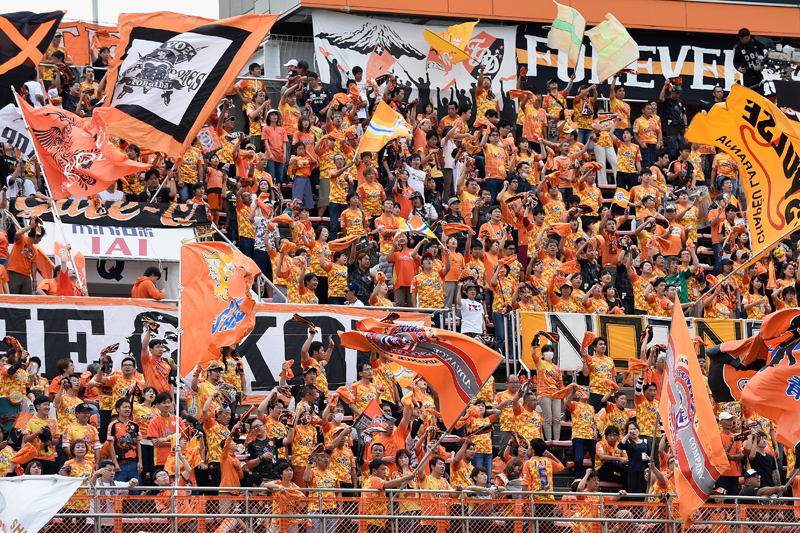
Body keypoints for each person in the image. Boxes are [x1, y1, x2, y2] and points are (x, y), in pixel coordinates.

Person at [565, 385, 596, 480]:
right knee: (578, 459)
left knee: (596, 458)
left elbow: (594, 421)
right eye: (583, 390)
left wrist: (595, 431)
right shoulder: (575, 404)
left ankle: (595, 478)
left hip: (590, 435)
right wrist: (573, 391)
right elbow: (567, 403)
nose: (585, 392)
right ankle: (578, 480)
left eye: (587, 391)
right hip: (578, 435)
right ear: (578, 394)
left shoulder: (591, 408)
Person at [7, 220, 44, 294]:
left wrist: (34, 280)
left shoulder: (35, 250)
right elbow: (17, 233)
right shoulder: (22, 239)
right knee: (12, 295)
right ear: (36, 236)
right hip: (14, 272)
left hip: (26, 275)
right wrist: (31, 226)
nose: (40, 240)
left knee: (26, 297)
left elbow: (34, 265)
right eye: (41, 237)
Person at [618, 421, 650, 500]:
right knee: (634, 494)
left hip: (644, 471)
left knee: (645, 493)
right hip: (633, 471)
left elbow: (650, 455)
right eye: (630, 429)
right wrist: (627, 435)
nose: (633, 431)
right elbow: (620, 446)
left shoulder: (645, 442)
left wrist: (649, 459)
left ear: (638, 430)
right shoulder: (628, 442)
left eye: (635, 429)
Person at [733, 29, 768, 94]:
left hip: (757, 71)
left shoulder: (755, 42)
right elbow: (735, 61)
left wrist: (762, 64)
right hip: (748, 73)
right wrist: (738, 68)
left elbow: (762, 54)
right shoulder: (738, 47)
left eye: (749, 37)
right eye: (746, 38)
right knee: (749, 93)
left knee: (760, 92)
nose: (748, 39)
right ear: (741, 38)